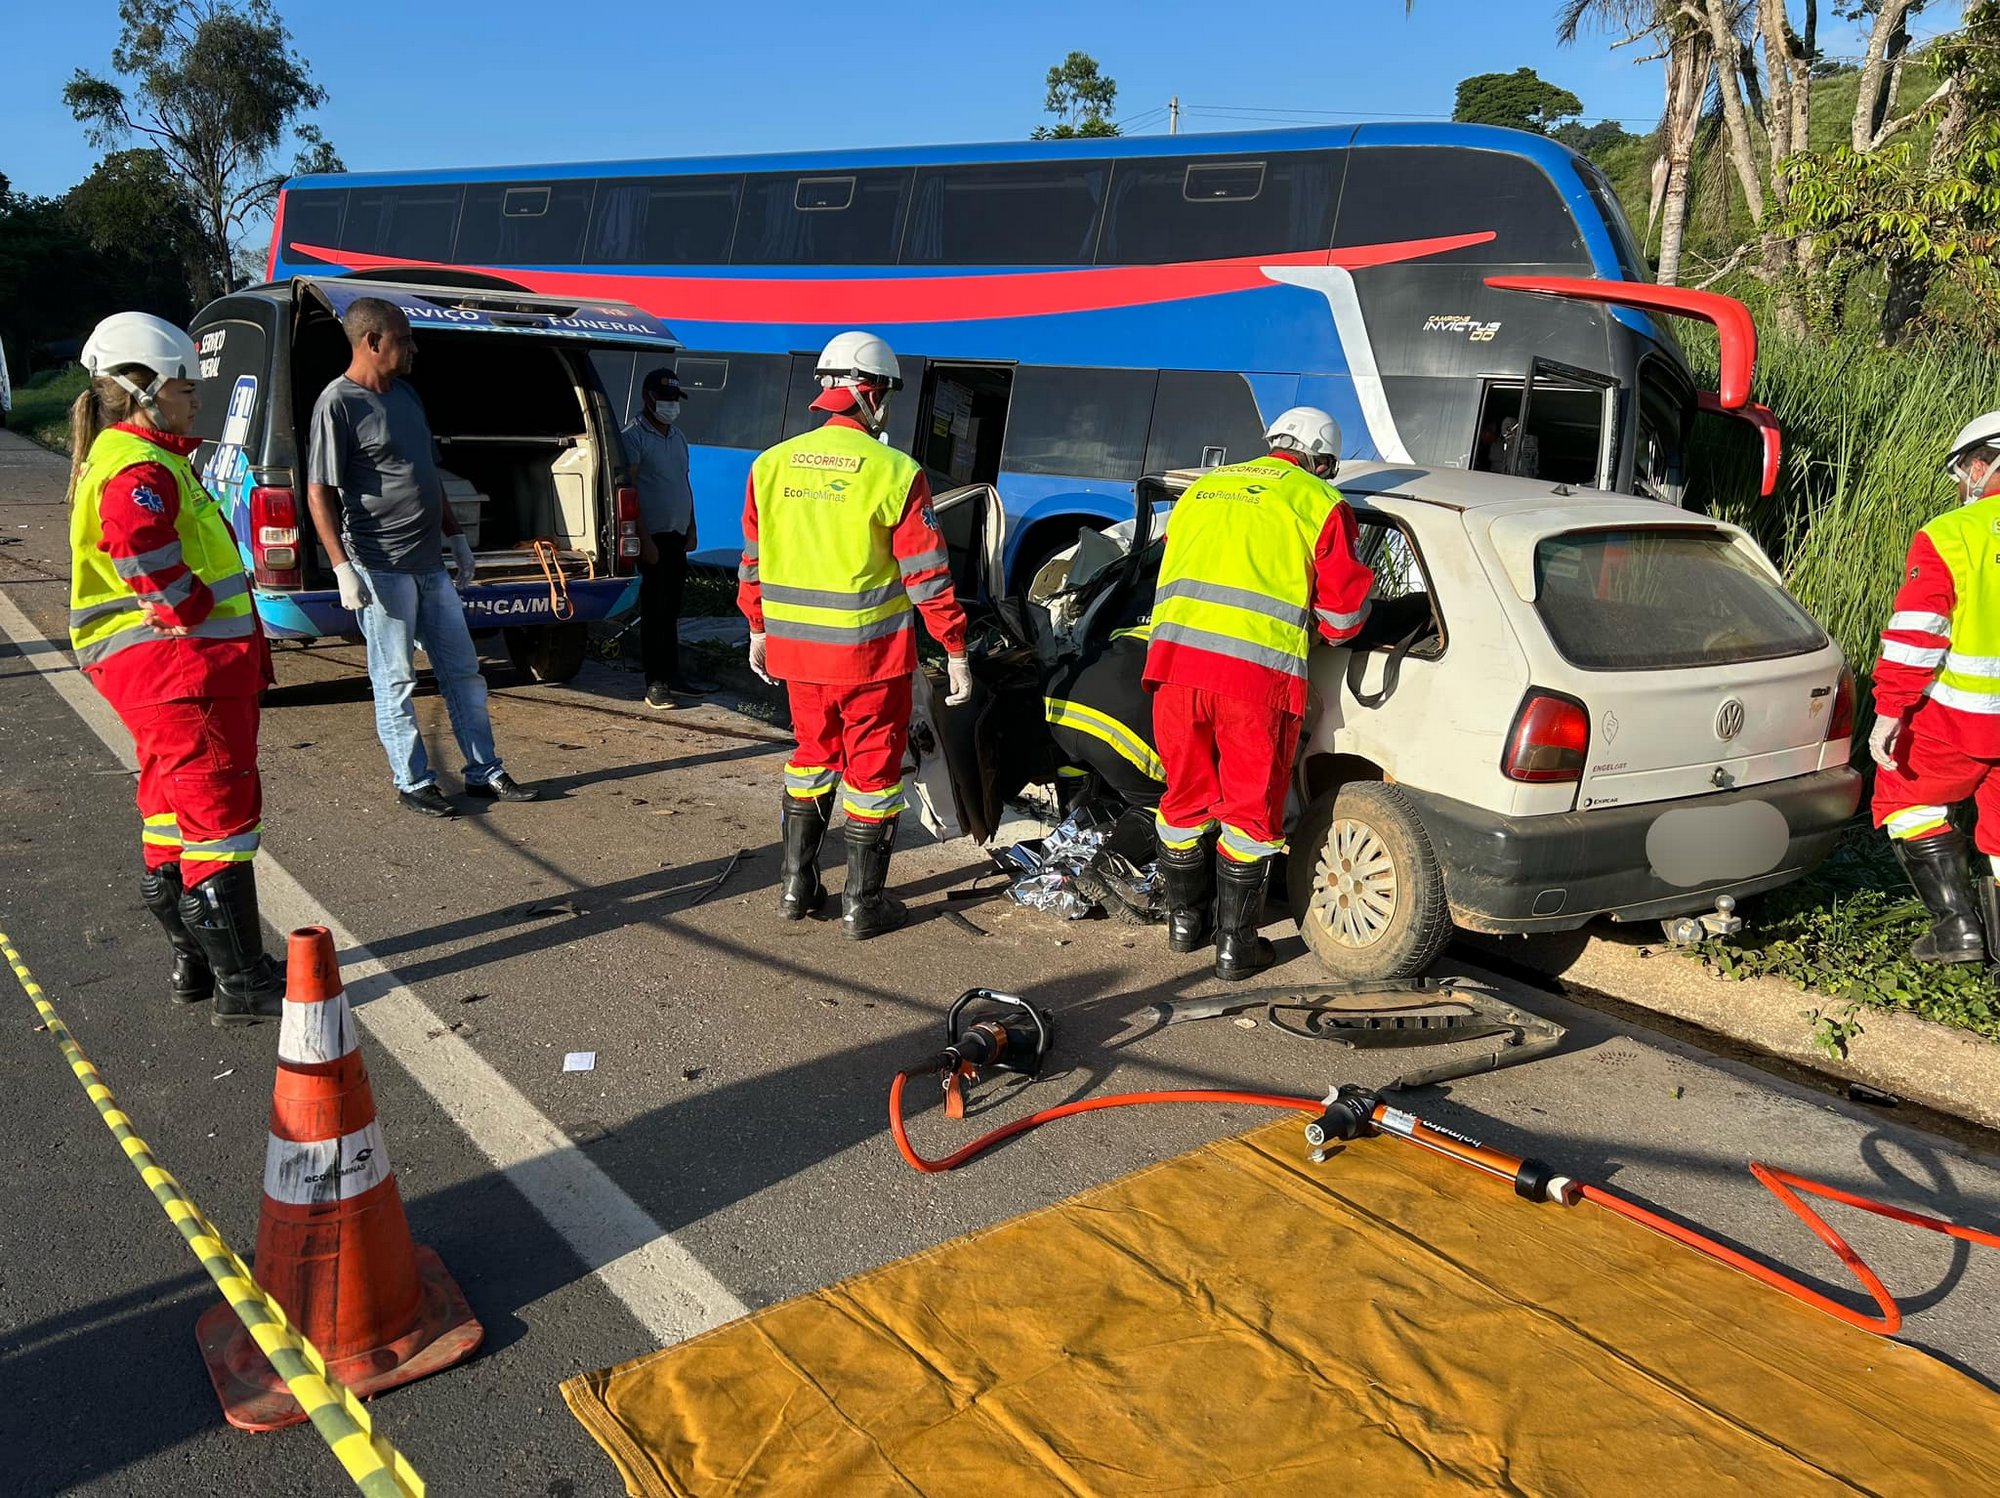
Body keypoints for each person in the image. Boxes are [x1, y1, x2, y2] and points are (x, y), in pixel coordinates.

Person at [66, 312, 283, 1025]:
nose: (196, 398)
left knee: (171, 813)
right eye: (185, 386)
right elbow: (138, 540)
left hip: (163, 675)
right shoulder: (138, 466)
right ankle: (244, 982)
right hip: (183, 673)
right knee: (219, 817)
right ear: (142, 387)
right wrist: (187, 607)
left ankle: (196, 963)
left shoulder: (136, 455)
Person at [738, 331, 972, 940]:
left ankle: (797, 887)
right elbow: (926, 575)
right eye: (887, 394)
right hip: (871, 660)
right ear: (868, 393)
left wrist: (758, 629)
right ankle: (862, 904)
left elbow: (753, 562)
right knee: (872, 776)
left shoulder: (771, 464)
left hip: (799, 656)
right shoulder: (896, 471)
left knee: (812, 760)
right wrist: (953, 648)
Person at [1144, 407, 1376, 981]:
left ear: (1273, 443)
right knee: (1249, 815)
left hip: (1175, 667)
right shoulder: (1319, 503)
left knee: (1184, 799)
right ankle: (1235, 948)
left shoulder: (1203, 489)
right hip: (1254, 679)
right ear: (1322, 461)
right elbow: (1343, 619)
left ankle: (1183, 926)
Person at [305, 297, 539, 816]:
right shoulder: (337, 403)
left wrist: (455, 536)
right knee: (395, 677)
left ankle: (484, 770)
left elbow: (426, 477)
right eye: (405, 338)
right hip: (380, 564)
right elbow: (319, 490)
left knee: (464, 672)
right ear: (372, 342)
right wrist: (342, 567)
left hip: (430, 565)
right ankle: (413, 779)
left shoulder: (406, 396)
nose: (414, 347)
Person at [1867, 409, 2000, 964]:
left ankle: (1959, 929)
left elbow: (1919, 633)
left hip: (1960, 722)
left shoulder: (1951, 534)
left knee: (1903, 798)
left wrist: (1891, 708)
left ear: (1978, 465)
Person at [623, 367, 717, 707]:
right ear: (649, 399)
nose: (672, 405)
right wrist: (643, 540)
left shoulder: (678, 437)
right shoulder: (633, 437)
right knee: (655, 610)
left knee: (672, 609)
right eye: (666, 399)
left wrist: (692, 527)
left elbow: (683, 483)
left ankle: (673, 674)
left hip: (677, 535)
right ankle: (656, 682)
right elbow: (629, 491)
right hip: (654, 538)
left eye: (675, 400)